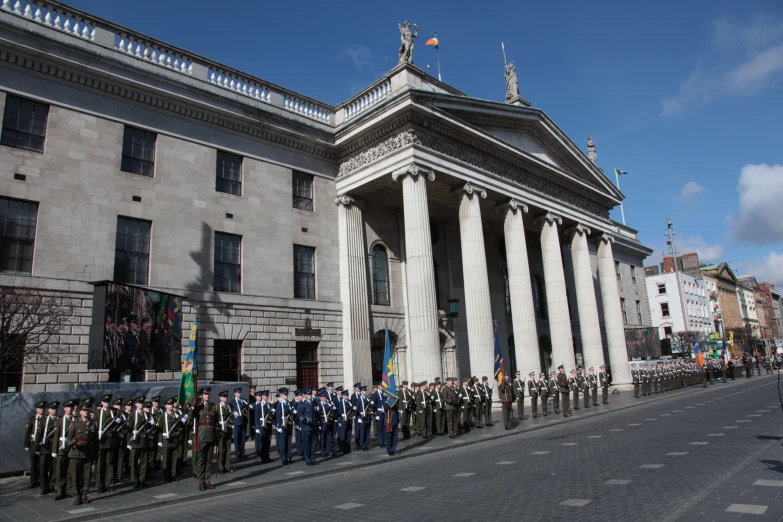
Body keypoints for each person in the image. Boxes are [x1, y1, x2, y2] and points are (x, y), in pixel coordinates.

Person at [67, 401, 95, 506]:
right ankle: (76, 496)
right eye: (84, 410)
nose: (86, 412)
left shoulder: (92, 423)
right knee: (75, 476)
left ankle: (84, 496)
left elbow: (94, 439)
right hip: (76, 453)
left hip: (87, 453)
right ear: (80, 411)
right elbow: (68, 438)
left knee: (86, 476)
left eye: (88, 410)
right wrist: (73, 443)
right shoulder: (75, 424)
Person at [52, 399, 76, 501]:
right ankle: (60, 491)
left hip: (72, 448)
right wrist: (54, 450)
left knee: (70, 471)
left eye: (71, 407)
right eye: (68, 407)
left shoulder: (75, 420)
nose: (70, 409)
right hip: (62, 448)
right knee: (60, 471)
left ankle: (69, 490)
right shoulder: (60, 421)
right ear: (64, 409)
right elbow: (56, 436)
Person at [193, 387, 218, 490]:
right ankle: (201, 481)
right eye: (205, 394)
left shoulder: (213, 406)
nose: (207, 395)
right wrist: (193, 408)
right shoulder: (198, 407)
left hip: (211, 435)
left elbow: (216, 421)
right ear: (202, 395)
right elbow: (191, 418)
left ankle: (207, 481)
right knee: (201, 460)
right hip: (202, 435)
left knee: (209, 460)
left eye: (208, 394)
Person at [95, 393, 120, 493]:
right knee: (100, 464)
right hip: (101, 442)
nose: (107, 403)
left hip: (111, 441)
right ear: (101, 403)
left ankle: (107, 483)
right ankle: (100, 485)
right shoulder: (97, 413)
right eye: (105, 401)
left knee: (109, 463)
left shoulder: (114, 412)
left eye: (108, 401)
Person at [127, 396, 150, 489]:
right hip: (136, 441)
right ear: (136, 404)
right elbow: (129, 430)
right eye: (139, 403)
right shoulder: (133, 415)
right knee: (134, 462)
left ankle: (142, 479)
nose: (141, 404)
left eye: (142, 403)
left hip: (144, 441)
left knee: (144, 461)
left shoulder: (146, 415)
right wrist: (129, 442)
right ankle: (134, 480)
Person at [24, 400, 47, 490]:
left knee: (42, 464)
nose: (42, 410)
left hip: (43, 444)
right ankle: (33, 481)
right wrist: (27, 444)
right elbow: (28, 432)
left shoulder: (46, 418)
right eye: (40, 408)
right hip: (33, 444)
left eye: (43, 408)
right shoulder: (32, 419)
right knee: (34, 464)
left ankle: (42, 481)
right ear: (36, 409)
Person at [39, 402, 59, 495]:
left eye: (56, 409)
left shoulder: (59, 419)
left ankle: (51, 485)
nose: (54, 410)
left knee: (54, 468)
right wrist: (36, 448)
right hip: (45, 447)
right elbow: (39, 434)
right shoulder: (44, 420)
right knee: (44, 468)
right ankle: (44, 487)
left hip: (55, 447)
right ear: (49, 410)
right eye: (52, 409)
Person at [158, 396, 180, 483]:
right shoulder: (162, 416)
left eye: (171, 404)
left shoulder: (176, 414)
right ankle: (166, 476)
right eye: (168, 404)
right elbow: (159, 429)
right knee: (166, 459)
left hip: (174, 439)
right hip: (166, 440)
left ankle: (173, 474)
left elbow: (179, 427)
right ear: (166, 406)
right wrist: (160, 440)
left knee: (174, 458)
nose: (170, 406)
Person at [216, 390, 233, 474]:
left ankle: (227, 466)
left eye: (226, 397)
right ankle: (220, 466)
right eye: (224, 397)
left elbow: (232, 417)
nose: (225, 398)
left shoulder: (229, 406)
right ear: (220, 398)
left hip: (228, 428)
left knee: (228, 448)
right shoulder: (217, 407)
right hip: (221, 429)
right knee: (221, 448)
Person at [228, 387, 248, 460]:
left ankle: (243, 452)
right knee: (237, 438)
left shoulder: (243, 401)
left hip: (243, 421)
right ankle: (238, 453)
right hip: (236, 422)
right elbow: (229, 411)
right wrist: (234, 413)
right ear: (235, 393)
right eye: (238, 393)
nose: (239, 394)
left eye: (240, 392)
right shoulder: (232, 402)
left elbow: (247, 408)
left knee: (243, 438)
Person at [274, 388, 293, 464]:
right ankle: (283, 458)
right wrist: (278, 426)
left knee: (288, 442)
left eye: (287, 394)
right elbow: (278, 415)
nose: (286, 396)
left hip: (288, 424)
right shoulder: (279, 404)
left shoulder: (288, 403)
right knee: (282, 442)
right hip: (282, 424)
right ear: (281, 395)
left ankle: (288, 456)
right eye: (285, 395)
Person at [335, 389, 354, 454]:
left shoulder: (349, 401)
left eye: (347, 395)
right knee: (343, 435)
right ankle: (343, 449)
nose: (347, 396)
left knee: (349, 435)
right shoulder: (340, 402)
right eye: (346, 395)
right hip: (343, 420)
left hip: (349, 420)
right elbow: (339, 411)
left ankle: (348, 448)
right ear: (343, 396)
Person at [316, 390, 333, 457]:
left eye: (325, 397)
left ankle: (328, 450)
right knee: (323, 437)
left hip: (328, 421)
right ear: (320, 397)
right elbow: (318, 414)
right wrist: (319, 423)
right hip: (322, 421)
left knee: (328, 437)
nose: (325, 398)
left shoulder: (328, 403)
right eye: (323, 397)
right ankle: (323, 451)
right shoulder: (319, 404)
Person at [371, 382, 387, 448]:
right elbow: (373, 405)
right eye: (381, 386)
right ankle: (380, 442)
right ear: (378, 386)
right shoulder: (376, 394)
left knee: (384, 428)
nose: (383, 387)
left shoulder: (384, 393)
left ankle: (384, 441)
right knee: (379, 428)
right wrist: (376, 414)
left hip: (384, 413)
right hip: (379, 413)